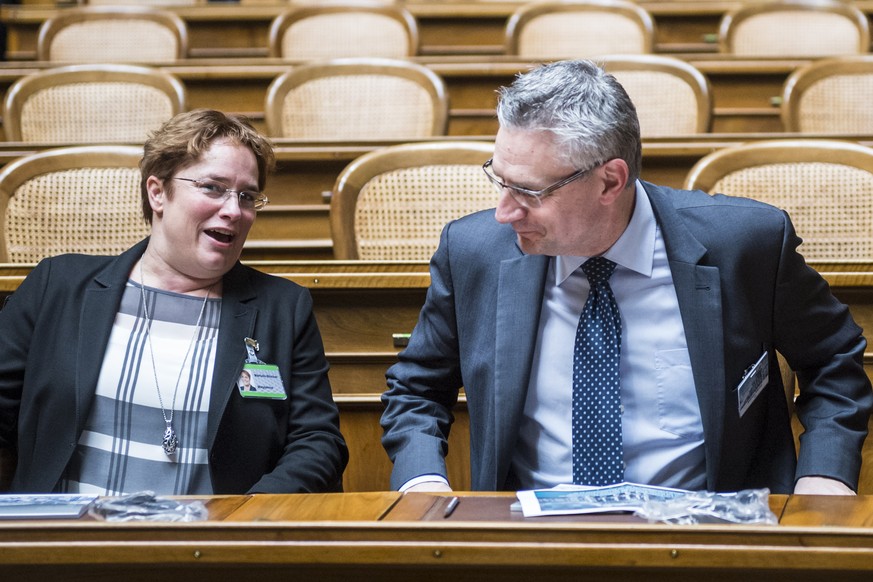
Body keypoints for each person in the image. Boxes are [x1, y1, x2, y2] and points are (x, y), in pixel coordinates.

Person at [381, 59, 873, 496]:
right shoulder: (474, 253)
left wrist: (824, 475)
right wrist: (422, 481)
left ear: (610, 181)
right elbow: (416, 389)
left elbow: (833, 361)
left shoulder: (748, 245)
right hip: (532, 543)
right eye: (498, 179)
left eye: (529, 192)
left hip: (710, 541)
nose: (504, 213)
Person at [0, 109, 348, 495]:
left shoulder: (282, 308)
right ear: (157, 192)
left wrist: (248, 522)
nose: (234, 210)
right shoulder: (58, 287)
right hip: (63, 543)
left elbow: (318, 441)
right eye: (213, 188)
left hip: (209, 546)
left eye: (247, 196)